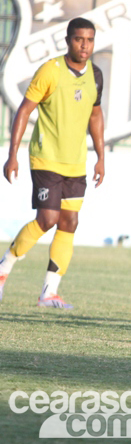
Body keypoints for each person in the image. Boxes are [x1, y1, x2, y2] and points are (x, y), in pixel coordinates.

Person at [0, 17, 105, 309]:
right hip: (46, 157)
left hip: (76, 162)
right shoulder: (51, 70)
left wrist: (101, 157)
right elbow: (24, 110)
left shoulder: (96, 75)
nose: (84, 45)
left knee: (70, 221)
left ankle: (49, 292)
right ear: (68, 40)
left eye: (90, 40)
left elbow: (96, 114)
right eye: (79, 39)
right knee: (47, 219)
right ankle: (3, 268)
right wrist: (12, 154)